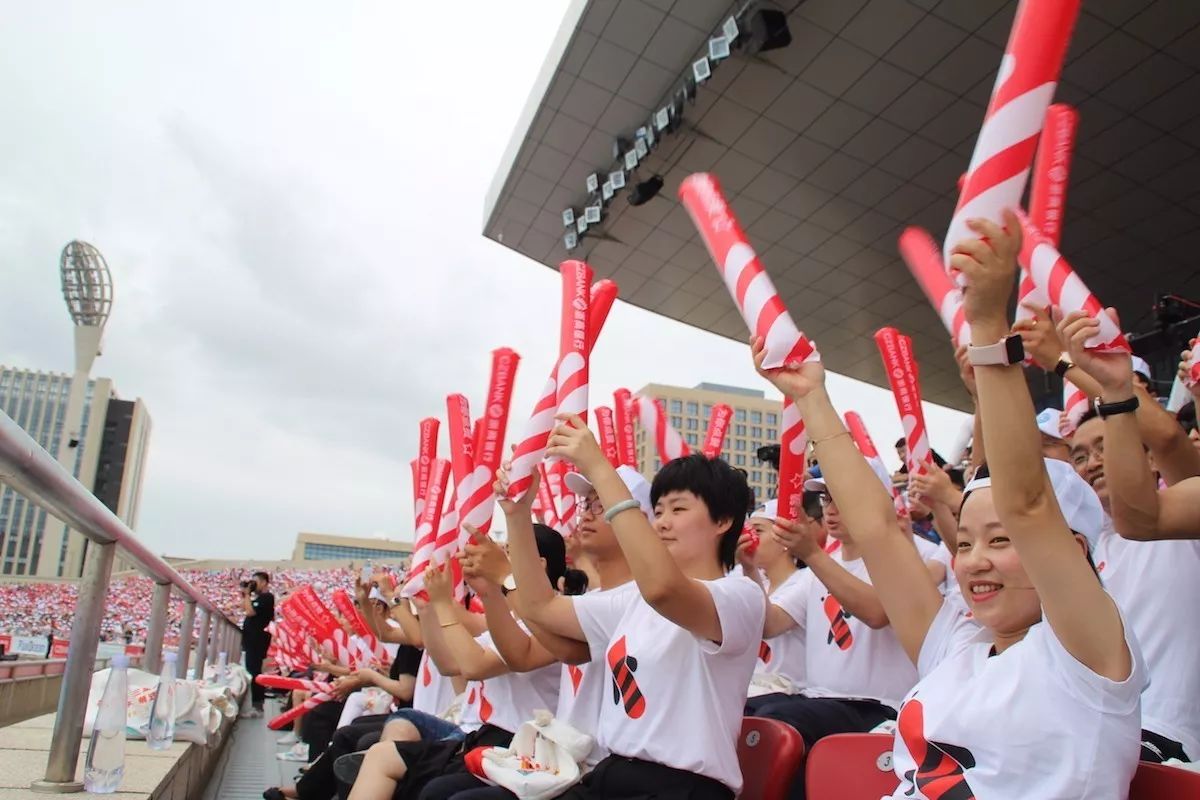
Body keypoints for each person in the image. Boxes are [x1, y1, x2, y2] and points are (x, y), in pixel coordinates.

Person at [753, 211, 1145, 797]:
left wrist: (988, 328)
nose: (973, 561)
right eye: (964, 543)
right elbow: (879, 531)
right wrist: (813, 397)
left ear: (1075, 552)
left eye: (1001, 539)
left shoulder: (1085, 654)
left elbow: (1030, 502)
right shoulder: (957, 642)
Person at [512, 437, 765, 800]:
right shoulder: (635, 600)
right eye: (658, 511)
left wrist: (598, 468)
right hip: (611, 775)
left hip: (682, 788)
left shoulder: (741, 596)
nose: (662, 523)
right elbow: (540, 607)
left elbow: (665, 589)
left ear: (723, 521)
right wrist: (518, 515)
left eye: (678, 510)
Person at [1058, 309, 1200, 762]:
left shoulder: (1180, 518)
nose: (1094, 463)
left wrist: (1058, 359)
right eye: (1081, 455)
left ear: (1149, 461)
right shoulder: (1079, 545)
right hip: (1082, 732)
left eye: (1107, 447)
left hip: (1162, 739)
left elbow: (1171, 445)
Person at [240, 570, 275, 718]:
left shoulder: (267, 597)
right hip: (252, 640)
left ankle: (258, 707)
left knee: (255, 672)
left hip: (257, 640)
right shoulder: (258, 597)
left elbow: (250, 612)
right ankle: (257, 705)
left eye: (255, 582)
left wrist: (248, 594)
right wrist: (245, 594)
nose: (253, 585)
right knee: (252, 670)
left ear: (264, 582)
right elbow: (244, 608)